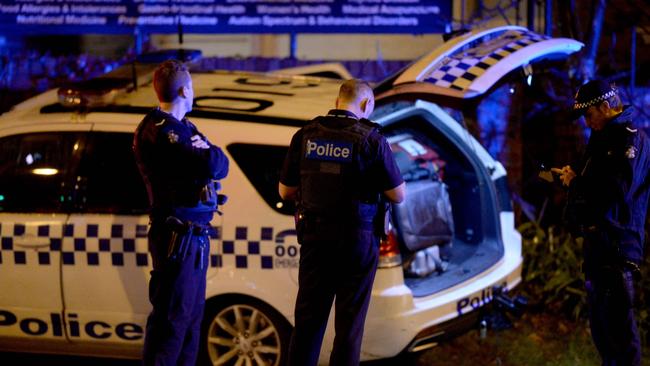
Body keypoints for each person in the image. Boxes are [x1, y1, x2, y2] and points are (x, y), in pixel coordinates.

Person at [279, 79, 406, 366]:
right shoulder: (372, 140)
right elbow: (398, 195)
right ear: (366, 105)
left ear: (338, 102)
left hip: (315, 239)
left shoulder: (306, 135)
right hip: (356, 242)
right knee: (349, 327)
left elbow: (285, 191)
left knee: (308, 323)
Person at [133, 59, 229, 366]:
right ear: (186, 89)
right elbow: (215, 163)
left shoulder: (184, 127)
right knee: (171, 323)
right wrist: (206, 154)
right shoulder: (163, 132)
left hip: (193, 239)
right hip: (176, 238)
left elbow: (217, 163)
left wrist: (206, 155)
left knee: (190, 322)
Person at [552, 79, 649, 366]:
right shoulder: (605, 137)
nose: (586, 121)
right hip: (599, 247)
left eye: (588, 113)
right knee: (603, 333)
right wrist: (573, 180)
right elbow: (597, 183)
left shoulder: (629, 139)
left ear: (605, 107)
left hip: (616, 249)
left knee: (620, 337)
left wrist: (577, 183)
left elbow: (616, 191)